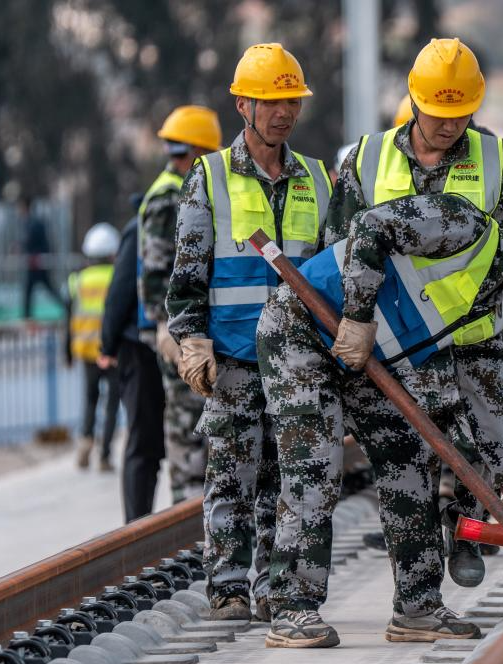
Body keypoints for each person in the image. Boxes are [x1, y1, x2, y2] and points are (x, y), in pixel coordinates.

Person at [256, 193, 503, 648]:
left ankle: (417, 608)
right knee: (314, 467)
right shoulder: (462, 224)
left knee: (410, 465)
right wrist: (357, 317)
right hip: (303, 329)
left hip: (370, 361)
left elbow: (488, 399)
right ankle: (292, 608)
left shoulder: (495, 306)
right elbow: (369, 226)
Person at [327, 37, 503, 588]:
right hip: (399, 342)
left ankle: (466, 529)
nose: (449, 126)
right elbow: (337, 249)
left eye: (461, 114)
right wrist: (347, 326)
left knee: (493, 451)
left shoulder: (498, 161)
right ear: (414, 99)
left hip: (474, 338)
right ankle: (419, 590)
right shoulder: (365, 160)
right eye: (438, 113)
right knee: (411, 461)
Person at [166, 43, 331, 623]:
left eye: (292, 101)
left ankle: (271, 587)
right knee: (231, 476)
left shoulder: (317, 179)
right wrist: (192, 340)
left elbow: (331, 270)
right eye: (270, 102)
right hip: (234, 357)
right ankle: (229, 588)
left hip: (297, 360)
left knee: (286, 481)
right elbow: (187, 275)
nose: (283, 113)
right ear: (243, 105)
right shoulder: (209, 177)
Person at [139, 105, 221, 503]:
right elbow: (156, 270)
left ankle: (195, 506)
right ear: (199, 151)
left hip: (191, 323)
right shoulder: (170, 196)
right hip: (179, 329)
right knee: (186, 420)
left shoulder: (181, 189)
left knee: (197, 419)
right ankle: (186, 509)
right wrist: (165, 325)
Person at [99, 204, 166, 522]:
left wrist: (108, 344)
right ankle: (138, 529)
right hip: (141, 347)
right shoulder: (140, 226)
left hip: (139, 346)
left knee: (144, 442)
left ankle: (139, 524)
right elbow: (120, 292)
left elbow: (119, 292)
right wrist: (109, 343)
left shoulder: (138, 225)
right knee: (146, 443)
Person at [68, 223, 121, 471]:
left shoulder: (77, 280)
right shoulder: (117, 276)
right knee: (112, 403)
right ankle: (105, 455)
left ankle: (85, 442)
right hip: (112, 350)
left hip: (87, 350)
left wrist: (67, 352)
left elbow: (68, 317)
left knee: (90, 399)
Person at [20, 196, 63, 319]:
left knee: (42, 288)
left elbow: (30, 242)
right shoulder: (30, 222)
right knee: (36, 288)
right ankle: (27, 315)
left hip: (38, 263)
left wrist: (21, 247)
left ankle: (27, 315)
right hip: (35, 263)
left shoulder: (34, 223)